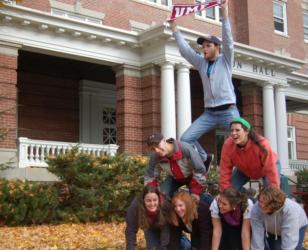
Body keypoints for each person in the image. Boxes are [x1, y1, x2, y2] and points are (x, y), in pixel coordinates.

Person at [168, 0, 240, 170]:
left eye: (208, 46)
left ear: (217, 48)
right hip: (209, 114)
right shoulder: (201, 63)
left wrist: (224, 16)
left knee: (243, 138)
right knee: (185, 139)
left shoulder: (226, 61)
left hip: (228, 111)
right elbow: (186, 51)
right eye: (202, 46)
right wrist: (174, 29)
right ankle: (203, 157)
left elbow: (228, 42)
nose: (204, 49)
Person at [144, 132, 211, 204]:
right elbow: (150, 176)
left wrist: (195, 191)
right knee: (162, 197)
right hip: (174, 178)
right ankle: (173, 212)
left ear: (164, 141)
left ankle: (213, 204)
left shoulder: (185, 148)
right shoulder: (155, 156)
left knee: (196, 199)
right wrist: (151, 192)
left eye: (157, 145)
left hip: (193, 177)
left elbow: (200, 170)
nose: (156, 150)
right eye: (153, 149)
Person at [219, 117, 280, 192]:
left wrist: (274, 191)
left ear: (246, 131)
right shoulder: (228, 145)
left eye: (237, 130)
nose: (233, 133)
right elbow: (224, 169)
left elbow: (270, 168)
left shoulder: (262, 143)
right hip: (243, 170)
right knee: (230, 190)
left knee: (270, 191)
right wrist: (225, 192)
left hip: (269, 166)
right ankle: (249, 197)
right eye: (232, 130)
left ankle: (285, 201)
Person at [125, 186, 170, 250]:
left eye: (155, 200)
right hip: (150, 228)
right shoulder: (135, 207)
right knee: (153, 248)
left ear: (159, 199)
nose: (152, 204)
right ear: (143, 200)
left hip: (166, 229)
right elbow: (131, 230)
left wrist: (164, 247)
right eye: (148, 201)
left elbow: (166, 229)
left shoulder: (165, 206)